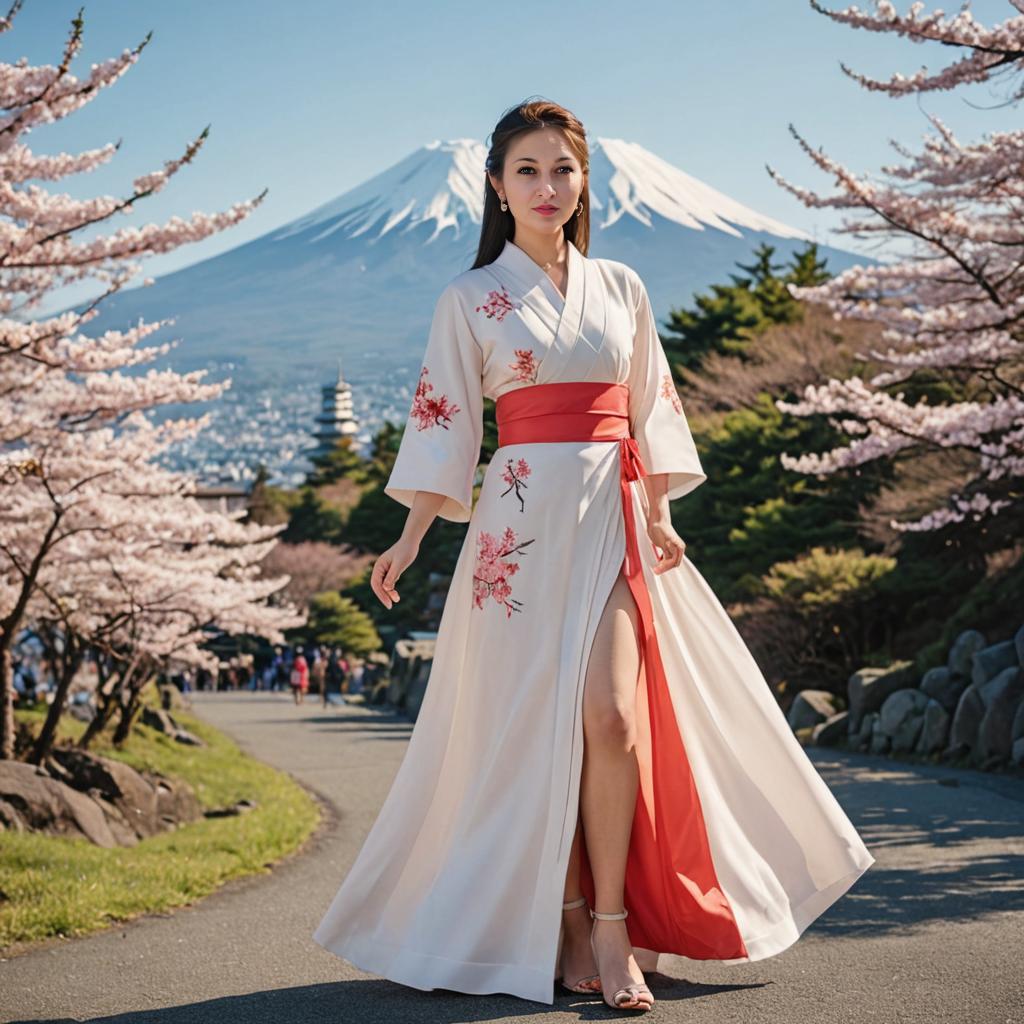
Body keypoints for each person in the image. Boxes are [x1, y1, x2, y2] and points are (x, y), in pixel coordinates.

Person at [312, 99, 875, 1012]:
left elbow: (650, 409)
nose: (546, 186)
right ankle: (564, 917)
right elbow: (446, 426)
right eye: (526, 170)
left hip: (612, 519)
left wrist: (656, 512)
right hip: (518, 532)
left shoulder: (622, 287)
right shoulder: (467, 299)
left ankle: (615, 928)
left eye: (562, 170)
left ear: (584, 183)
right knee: (534, 732)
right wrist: (411, 535)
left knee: (615, 721)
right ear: (496, 186)